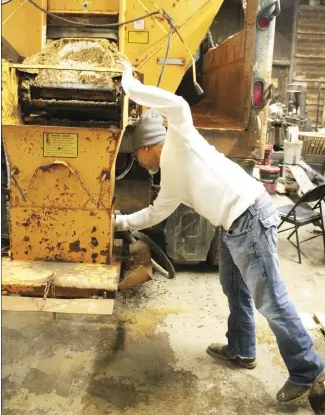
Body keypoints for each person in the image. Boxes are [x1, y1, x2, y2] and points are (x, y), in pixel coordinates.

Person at [115, 61, 325, 404]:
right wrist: (120, 223)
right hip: (234, 224)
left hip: (251, 218)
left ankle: (307, 369)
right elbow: (155, 213)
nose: (138, 160)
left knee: (270, 300)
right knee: (234, 287)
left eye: (137, 152)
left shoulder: (182, 141)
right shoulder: (170, 180)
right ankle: (242, 350)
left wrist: (131, 87)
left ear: (149, 144)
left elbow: (179, 105)